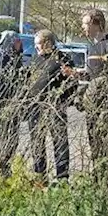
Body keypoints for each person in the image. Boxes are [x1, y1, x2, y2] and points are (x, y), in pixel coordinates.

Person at [66, 8, 108, 186]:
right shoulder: (92, 46)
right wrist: (76, 75)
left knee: (102, 141)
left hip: (106, 104)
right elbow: (92, 75)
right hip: (92, 104)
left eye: (85, 23)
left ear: (96, 23)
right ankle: (97, 177)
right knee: (93, 142)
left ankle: (105, 182)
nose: (83, 27)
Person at [25, 30, 75, 182]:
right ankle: (40, 175)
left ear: (48, 43)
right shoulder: (35, 59)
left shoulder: (61, 59)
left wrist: (63, 100)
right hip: (36, 107)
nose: (36, 48)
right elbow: (28, 81)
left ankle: (62, 177)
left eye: (38, 44)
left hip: (55, 107)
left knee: (59, 141)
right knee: (37, 142)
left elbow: (72, 83)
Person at [0, 31, 27, 178]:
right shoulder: (0, 61)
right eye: (17, 41)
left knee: (10, 145)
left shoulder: (14, 60)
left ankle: (4, 173)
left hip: (11, 112)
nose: (20, 44)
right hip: (0, 112)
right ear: (10, 42)